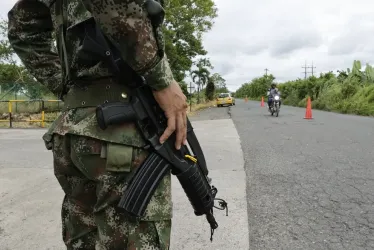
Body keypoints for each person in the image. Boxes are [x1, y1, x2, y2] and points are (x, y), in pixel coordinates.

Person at [7, 0, 187, 249]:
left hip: (75, 127)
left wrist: (69, 89)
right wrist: (162, 80)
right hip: (123, 127)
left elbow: (21, 27)